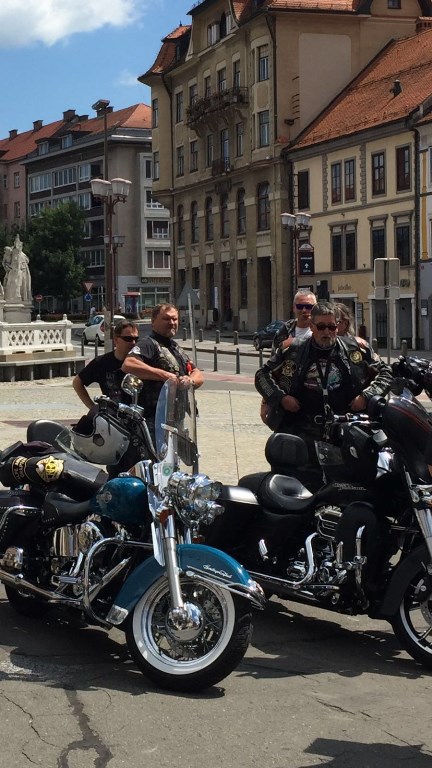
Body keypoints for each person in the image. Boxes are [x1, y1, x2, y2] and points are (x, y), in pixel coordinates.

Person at [255, 301, 393, 484]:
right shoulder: (292, 349)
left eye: (331, 327)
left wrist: (366, 397)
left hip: (344, 432)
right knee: (299, 485)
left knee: (346, 486)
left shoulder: (356, 348)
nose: (326, 332)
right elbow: (262, 375)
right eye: (321, 327)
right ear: (312, 326)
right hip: (302, 431)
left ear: (338, 326)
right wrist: (281, 398)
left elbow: (386, 373)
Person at [121, 303, 204, 438]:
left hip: (177, 419)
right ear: (153, 321)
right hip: (154, 421)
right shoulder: (148, 344)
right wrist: (165, 376)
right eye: (166, 319)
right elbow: (129, 364)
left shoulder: (176, 348)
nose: (172, 323)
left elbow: (197, 373)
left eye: (174, 319)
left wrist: (190, 380)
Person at [72, 319, 140, 410]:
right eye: (128, 339)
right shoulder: (102, 362)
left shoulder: (141, 361)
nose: (133, 343)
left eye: (136, 339)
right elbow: (77, 382)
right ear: (116, 340)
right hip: (112, 415)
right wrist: (92, 408)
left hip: (137, 415)